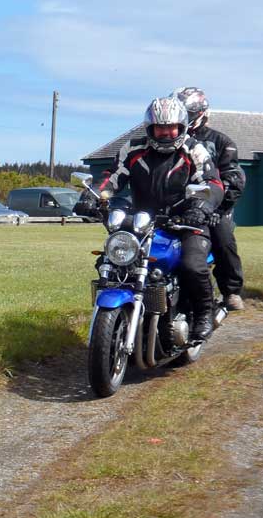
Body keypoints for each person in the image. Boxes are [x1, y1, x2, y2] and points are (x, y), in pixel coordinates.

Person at [95, 97, 225, 341]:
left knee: (192, 265)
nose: (166, 133)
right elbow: (113, 176)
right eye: (160, 127)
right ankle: (118, 324)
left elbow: (213, 183)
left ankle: (203, 314)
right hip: (142, 222)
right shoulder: (133, 149)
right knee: (112, 262)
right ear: (150, 128)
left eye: (171, 127)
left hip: (186, 222)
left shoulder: (194, 149)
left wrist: (200, 207)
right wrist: (93, 195)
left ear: (181, 126)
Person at [174, 87, 247, 310]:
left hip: (214, 207)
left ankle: (231, 290)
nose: (184, 119)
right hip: (178, 206)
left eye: (188, 114)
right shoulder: (169, 140)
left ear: (201, 113)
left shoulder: (221, 141)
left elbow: (233, 178)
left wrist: (218, 208)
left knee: (223, 239)